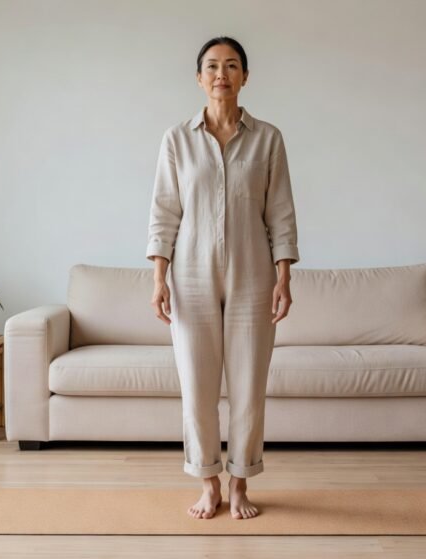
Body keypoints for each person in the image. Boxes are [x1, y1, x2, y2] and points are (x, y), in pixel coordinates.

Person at [145, 36, 300, 520]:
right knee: (198, 387)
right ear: (199, 78)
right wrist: (159, 277)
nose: (221, 74)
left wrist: (283, 277)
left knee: (249, 387)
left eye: (231, 66)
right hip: (190, 275)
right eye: (212, 66)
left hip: (254, 274)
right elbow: (164, 212)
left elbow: (280, 213)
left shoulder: (268, 139)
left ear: (245, 77)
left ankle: (240, 484)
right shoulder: (177, 139)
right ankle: (208, 483)